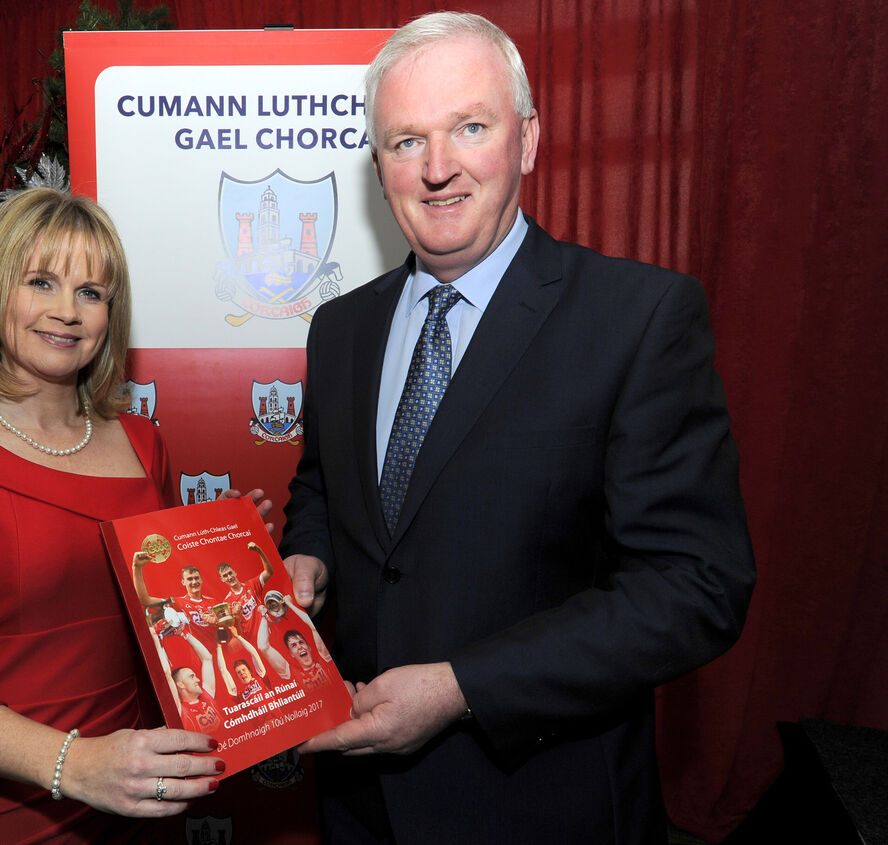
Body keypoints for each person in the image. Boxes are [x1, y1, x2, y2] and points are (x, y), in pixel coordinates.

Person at [279, 12, 756, 844]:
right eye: (404, 141)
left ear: (528, 139)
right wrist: (307, 554)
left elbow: (695, 586)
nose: (437, 169)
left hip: (541, 805)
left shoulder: (637, 318)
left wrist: (463, 685)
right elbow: (321, 486)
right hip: (359, 803)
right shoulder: (340, 328)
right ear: (378, 163)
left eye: (470, 127)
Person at [0, 188, 259, 843]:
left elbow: (158, 616)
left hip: (130, 791)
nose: (67, 311)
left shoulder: (142, 442)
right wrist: (73, 763)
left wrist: (237, 568)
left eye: (92, 293)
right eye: (41, 281)